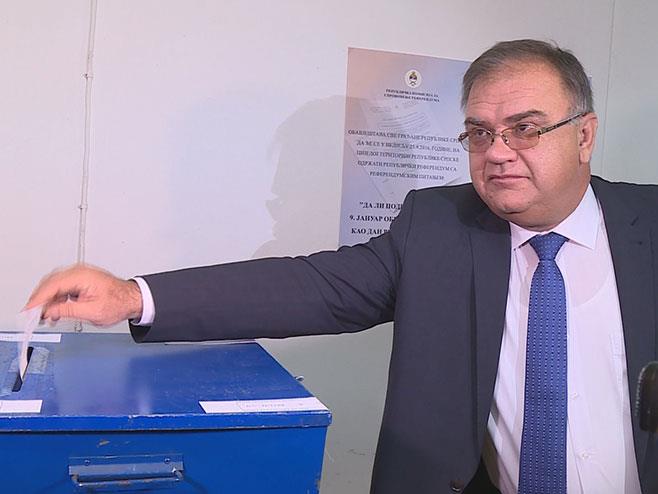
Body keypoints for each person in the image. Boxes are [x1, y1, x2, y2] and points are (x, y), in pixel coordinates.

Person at [27, 39, 658, 494]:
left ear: (584, 135)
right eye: (479, 132)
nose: (497, 152)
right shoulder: (438, 227)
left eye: (525, 129)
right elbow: (310, 286)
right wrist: (130, 295)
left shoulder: (648, 226)